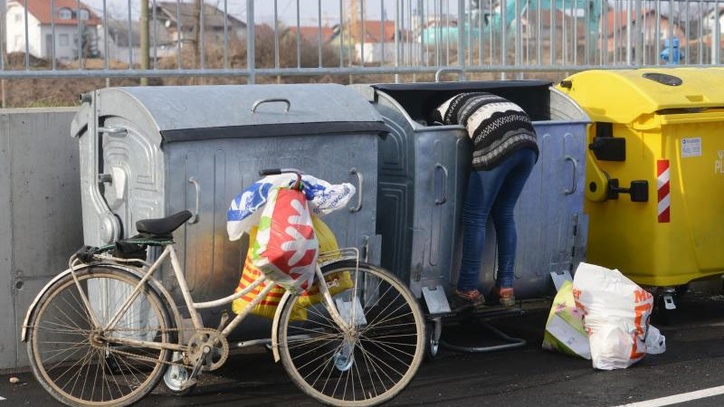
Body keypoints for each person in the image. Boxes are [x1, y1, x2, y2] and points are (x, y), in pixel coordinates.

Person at [431, 92, 539, 309]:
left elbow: (438, 138)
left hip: (498, 142)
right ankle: (505, 287)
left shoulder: (439, 112)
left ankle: (467, 289)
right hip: (529, 143)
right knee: (504, 213)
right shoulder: (475, 98)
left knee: (474, 217)